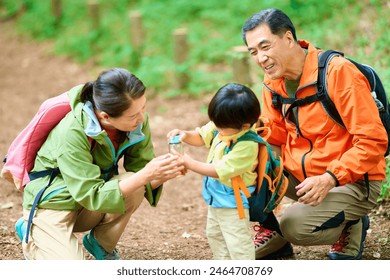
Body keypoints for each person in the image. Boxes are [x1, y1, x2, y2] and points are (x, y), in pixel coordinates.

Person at [241, 8, 387, 260]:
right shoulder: (273, 83)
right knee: (241, 164)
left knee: (295, 226)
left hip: (353, 180)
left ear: (288, 39)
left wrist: (330, 178)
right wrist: (248, 163)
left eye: (266, 47)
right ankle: (272, 234)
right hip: (307, 178)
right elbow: (272, 138)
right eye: (253, 52)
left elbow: (373, 141)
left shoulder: (338, 73)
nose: (261, 58)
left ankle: (351, 223)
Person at [15, 68, 184, 260]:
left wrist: (162, 173)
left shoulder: (136, 121)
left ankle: (101, 243)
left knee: (133, 180)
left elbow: (140, 174)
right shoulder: (72, 131)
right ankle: (34, 229)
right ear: (105, 116)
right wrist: (145, 175)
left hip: (87, 202)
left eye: (143, 108)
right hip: (54, 203)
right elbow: (90, 192)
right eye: (133, 115)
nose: (141, 118)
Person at [167, 83, 261, 259]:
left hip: (234, 202)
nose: (216, 129)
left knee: (237, 242)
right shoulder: (224, 123)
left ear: (245, 125)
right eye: (215, 124)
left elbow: (219, 170)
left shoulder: (247, 145)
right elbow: (202, 136)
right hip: (216, 197)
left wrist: (189, 162)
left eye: (220, 127)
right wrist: (185, 135)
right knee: (215, 236)